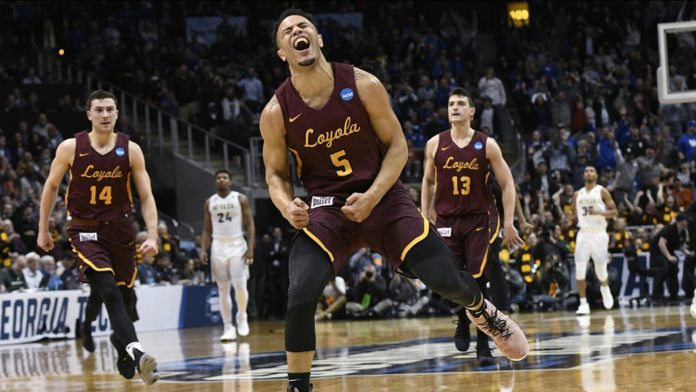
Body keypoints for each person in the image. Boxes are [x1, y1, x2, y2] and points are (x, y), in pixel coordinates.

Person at [261, 9, 528, 392]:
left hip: (382, 198)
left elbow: (399, 148)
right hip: (325, 210)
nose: (296, 31)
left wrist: (371, 196)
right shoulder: (275, 112)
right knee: (300, 293)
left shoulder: (363, 84)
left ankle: (482, 310)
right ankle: (297, 386)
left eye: (304, 26)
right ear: (282, 53)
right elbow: (274, 175)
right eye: (287, 31)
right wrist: (287, 206)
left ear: (319, 40)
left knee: (445, 280)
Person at [37, 90, 160, 385]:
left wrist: (153, 234)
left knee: (126, 300)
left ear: (117, 114)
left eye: (110, 110)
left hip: (120, 229)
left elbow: (146, 195)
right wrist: (43, 228)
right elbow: (51, 187)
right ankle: (139, 352)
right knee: (107, 291)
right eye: (99, 110)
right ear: (89, 114)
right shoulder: (70, 147)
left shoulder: (131, 150)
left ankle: (122, 348)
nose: (105, 115)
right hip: (84, 229)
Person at [420, 88, 526, 364]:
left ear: (471, 112)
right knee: (453, 278)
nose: (454, 107)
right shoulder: (435, 144)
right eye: (451, 103)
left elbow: (507, 184)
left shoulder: (486, 144)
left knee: (478, 278)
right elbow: (428, 181)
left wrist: (511, 222)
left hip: (479, 219)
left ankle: (483, 343)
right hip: (446, 220)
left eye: (461, 104)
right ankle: (462, 321)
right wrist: (424, 212)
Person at [201, 169, 255, 341]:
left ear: (230, 181)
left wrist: (251, 248)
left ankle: (241, 315)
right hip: (218, 246)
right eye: (218, 178)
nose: (221, 180)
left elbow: (250, 224)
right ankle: (228, 327)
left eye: (225, 178)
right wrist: (203, 249)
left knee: (239, 285)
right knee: (222, 289)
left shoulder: (240, 199)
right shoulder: (210, 202)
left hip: (237, 244)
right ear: (215, 182)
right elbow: (207, 229)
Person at [570, 166, 618, 315]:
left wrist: (599, 212)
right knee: (579, 268)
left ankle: (604, 287)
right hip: (583, 233)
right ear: (583, 175)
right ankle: (583, 304)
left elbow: (615, 212)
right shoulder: (577, 194)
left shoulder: (602, 191)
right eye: (586, 171)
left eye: (591, 171)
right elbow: (573, 214)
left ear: (596, 175)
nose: (588, 173)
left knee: (600, 270)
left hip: (599, 233)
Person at [649, 214, 688, 303]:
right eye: (685, 220)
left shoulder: (682, 232)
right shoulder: (670, 229)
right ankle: (656, 296)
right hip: (657, 252)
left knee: (674, 269)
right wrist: (669, 257)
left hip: (668, 251)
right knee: (663, 269)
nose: (687, 222)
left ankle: (674, 295)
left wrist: (687, 253)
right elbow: (661, 244)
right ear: (681, 221)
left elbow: (680, 245)